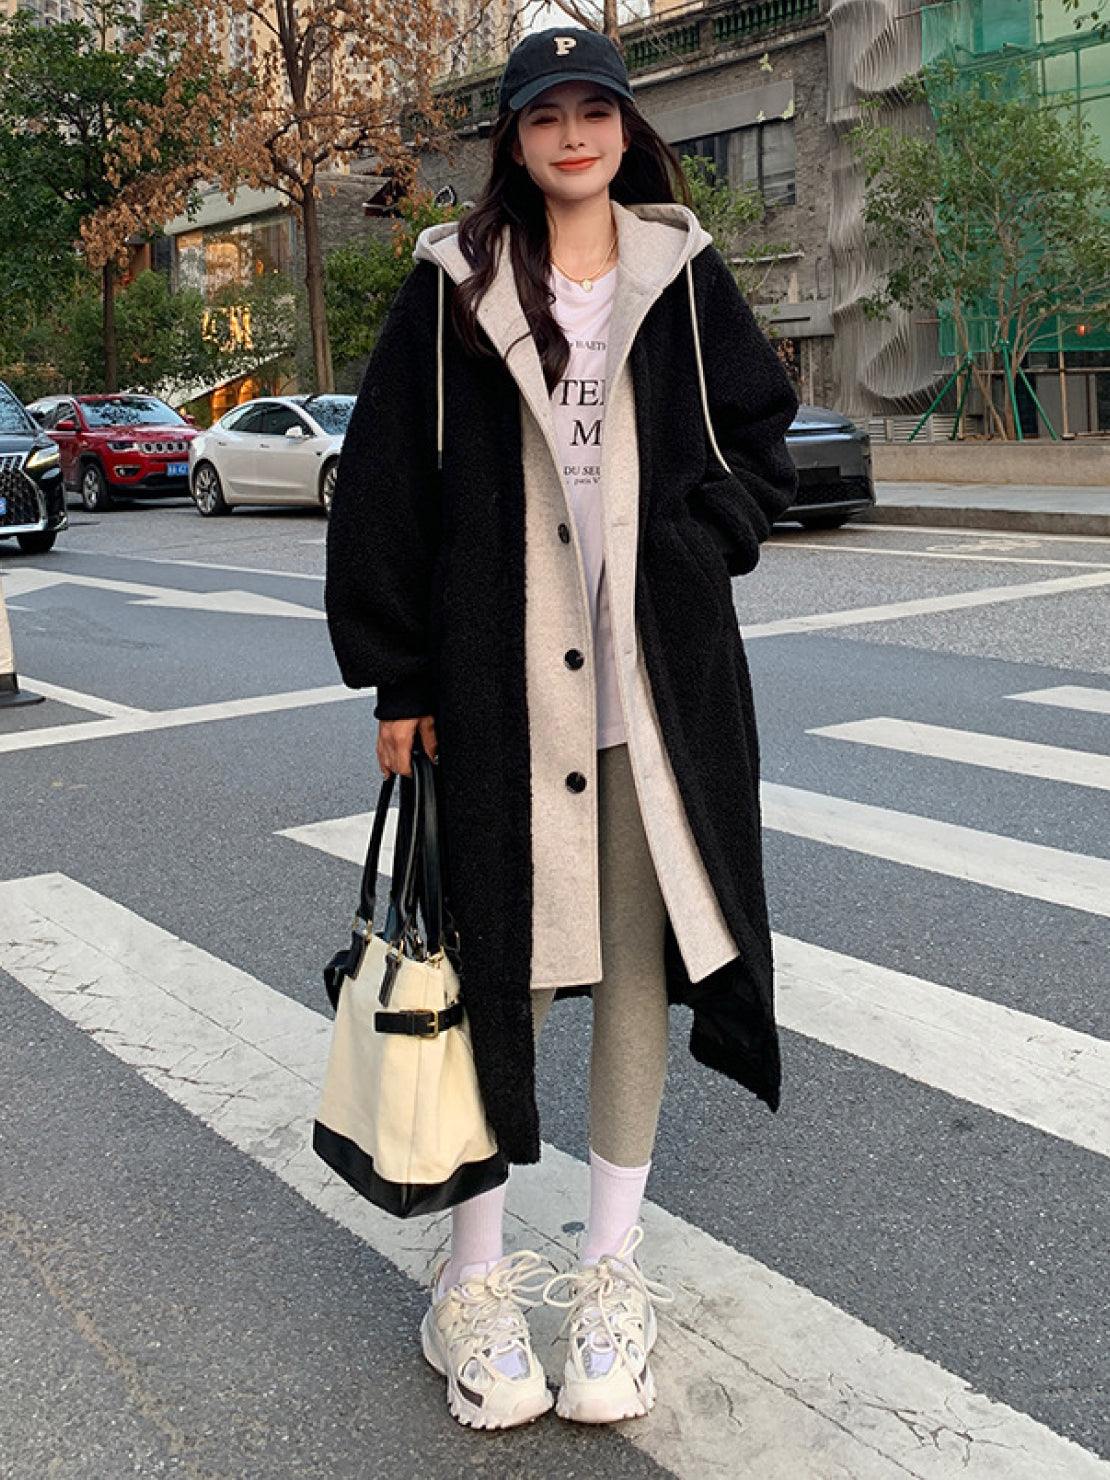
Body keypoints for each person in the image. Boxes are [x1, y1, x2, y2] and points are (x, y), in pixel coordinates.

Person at [324, 26, 800, 1432]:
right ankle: (470, 1287)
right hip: (492, 691)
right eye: (547, 115)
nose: (573, 134)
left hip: (655, 701)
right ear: (515, 142)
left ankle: (606, 1277)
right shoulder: (452, 285)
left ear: (625, 129)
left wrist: (703, 539)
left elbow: (762, 439)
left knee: (640, 979)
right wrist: (396, 680)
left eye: (596, 109)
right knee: (497, 982)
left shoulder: (680, 273)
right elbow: (382, 496)